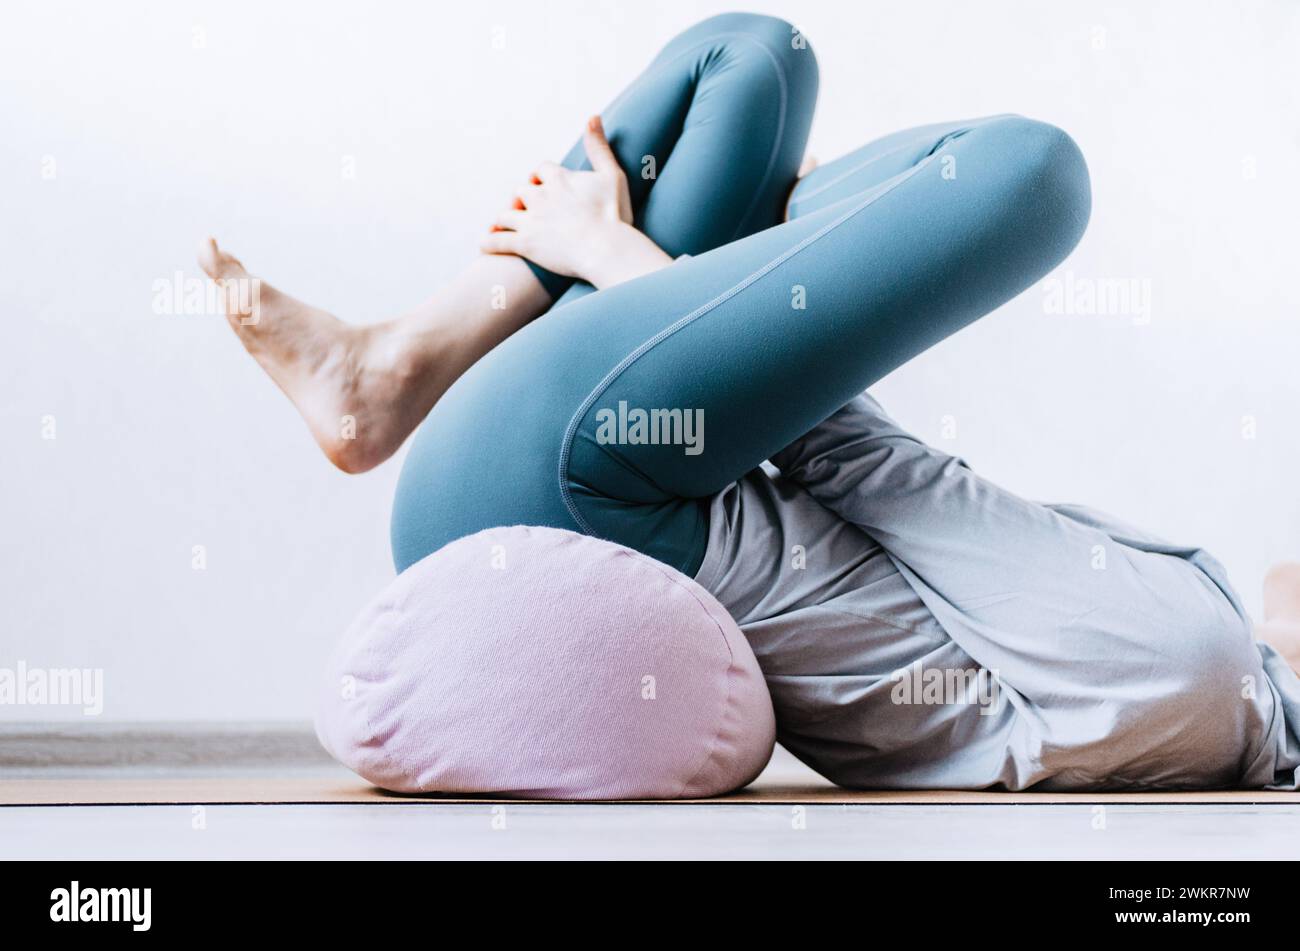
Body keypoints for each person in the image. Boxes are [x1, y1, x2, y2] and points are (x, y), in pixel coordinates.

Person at [199, 13, 1300, 790]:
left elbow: (874, 472)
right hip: (591, 482)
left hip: (563, 489)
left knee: (1034, 175)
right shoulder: (1197, 670)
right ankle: (395, 369)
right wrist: (737, 263)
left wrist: (625, 256)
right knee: (752, 63)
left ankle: (399, 367)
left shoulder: (1195, 671)